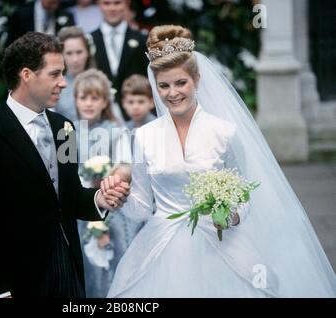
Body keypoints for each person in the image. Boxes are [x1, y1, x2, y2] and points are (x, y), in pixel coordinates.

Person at [102, 25, 336, 297]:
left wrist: (231, 215)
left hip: (220, 240)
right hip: (160, 244)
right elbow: (142, 208)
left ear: (197, 80)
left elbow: (244, 195)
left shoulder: (224, 132)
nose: (172, 93)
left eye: (181, 83)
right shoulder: (144, 136)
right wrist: (120, 199)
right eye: (163, 86)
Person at [0, 32, 129, 298]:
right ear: (27, 75)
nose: (63, 83)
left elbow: (70, 197)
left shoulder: (65, 128)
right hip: (20, 278)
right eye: (55, 74)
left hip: (69, 268)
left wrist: (101, 199)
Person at [72, 69, 141, 297]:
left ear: (105, 101)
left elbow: (125, 165)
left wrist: (110, 179)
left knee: (112, 263)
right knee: (83, 265)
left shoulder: (116, 131)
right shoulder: (67, 129)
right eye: (83, 98)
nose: (89, 103)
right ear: (76, 100)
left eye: (95, 98)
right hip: (78, 207)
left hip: (110, 206)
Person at [91, 0, 148, 120]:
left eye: (117, 3)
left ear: (126, 4)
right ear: (99, 5)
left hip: (135, 115)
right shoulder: (88, 40)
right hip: (99, 115)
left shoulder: (143, 40)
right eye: (106, 3)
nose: (112, 8)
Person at [54, 26, 94, 122]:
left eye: (79, 52)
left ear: (87, 52)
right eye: (69, 53)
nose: (75, 59)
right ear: (61, 55)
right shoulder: (55, 85)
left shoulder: (101, 83)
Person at [6, 0, 75, 46]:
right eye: (52, 2)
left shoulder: (65, 14)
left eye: (56, 2)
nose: (54, 6)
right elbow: (11, 43)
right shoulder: (21, 15)